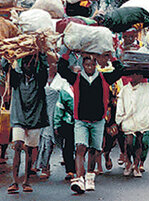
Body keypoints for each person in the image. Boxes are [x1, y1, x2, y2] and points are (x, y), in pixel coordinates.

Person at [58, 51, 123, 194]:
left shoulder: (104, 78)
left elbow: (120, 71)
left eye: (92, 65)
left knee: (94, 149)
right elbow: (61, 70)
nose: (90, 67)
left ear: (96, 65)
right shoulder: (76, 78)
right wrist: (67, 52)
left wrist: (111, 55)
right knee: (80, 148)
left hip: (98, 120)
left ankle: (89, 177)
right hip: (81, 120)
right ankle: (79, 179)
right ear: (83, 65)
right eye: (87, 65)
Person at [4, 54, 49, 194]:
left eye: (31, 63)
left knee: (29, 150)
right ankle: (14, 181)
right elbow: (6, 67)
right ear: (21, 65)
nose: (28, 65)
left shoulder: (40, 79)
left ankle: (26, 181)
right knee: (17, 146)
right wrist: (8, 55)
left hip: (35, 119)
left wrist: (41, 52)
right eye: (25, 63)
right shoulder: (16, 80)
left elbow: (45, 66)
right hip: (19, 117)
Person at [116, 70, 149, 177]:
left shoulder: (148, 88)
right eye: (133, 74)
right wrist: (118, 120)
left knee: (139, 142)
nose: (135, 76)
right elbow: (120, 105)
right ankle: (129, 162)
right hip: (128, 120)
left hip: (142, 119)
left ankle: (136, 165)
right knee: (129, 143)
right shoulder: (125, 90)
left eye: (138, 74)